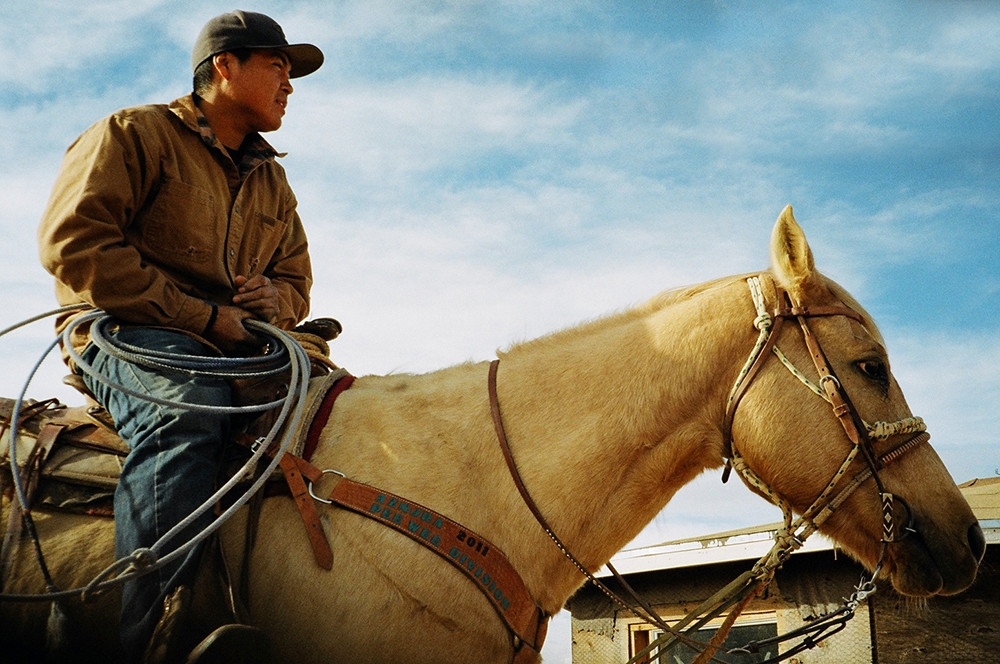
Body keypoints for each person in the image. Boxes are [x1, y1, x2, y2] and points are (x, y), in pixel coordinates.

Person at [37, 10, 323, 662]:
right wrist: (205, 317)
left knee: (335, 413)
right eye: (278, 65)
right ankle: (158, 632)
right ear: (225, 66)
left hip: (236, 346)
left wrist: (277, 300)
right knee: (186, 406)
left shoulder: (273, 183)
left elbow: (296, 281)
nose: (290, 84)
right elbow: (75, 244)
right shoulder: (133, 135)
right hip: (121, 334)